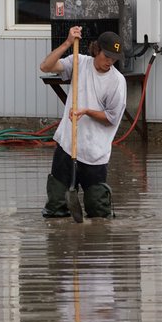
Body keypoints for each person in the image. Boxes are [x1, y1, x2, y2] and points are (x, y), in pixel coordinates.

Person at [40, 26, 127, 219]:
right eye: (106, 56)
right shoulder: (79, 62)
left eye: (114, 58)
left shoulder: (117, 81)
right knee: (55, 208)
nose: (110, 62)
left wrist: (86, 111)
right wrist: (68, 43)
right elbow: (45, 66)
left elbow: (112, 118)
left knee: (98, 212)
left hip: (95, 152)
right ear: (97, 50)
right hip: (68, 145)